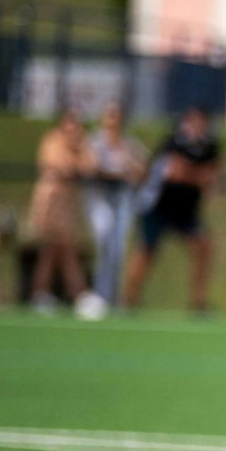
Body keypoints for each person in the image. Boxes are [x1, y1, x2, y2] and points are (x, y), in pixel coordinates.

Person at [122, 107, 220, 315]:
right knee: (147, 251)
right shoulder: (174, 142)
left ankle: (198, 302)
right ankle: (128, 299)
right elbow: (175, 173)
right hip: (158, 206)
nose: (198, 125)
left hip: (186, 210)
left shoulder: (211, 146)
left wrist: (193, 174)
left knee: (202, 247)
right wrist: (197, 176)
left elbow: (211, 178)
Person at [27, 109, 103, 320]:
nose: (73, 129)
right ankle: (77, 294)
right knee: (56, 248)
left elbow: (90, 167)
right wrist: (75, 157)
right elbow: (61, 166)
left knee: (59, 249)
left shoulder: (81, 144)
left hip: (69, 202)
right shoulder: (52, 140)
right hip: (50, 200)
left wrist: (78, 153)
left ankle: (45, 294)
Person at [83, 102, 146, 309]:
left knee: (118, 247)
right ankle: (99, 293)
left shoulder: (129, 143)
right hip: (100, 197)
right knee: (104, 237)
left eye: (116, 115)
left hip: (122, 198)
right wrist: (120, 173)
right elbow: (92, 167)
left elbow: (142, 170)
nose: (113, 120)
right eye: (109, 115)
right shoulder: (94, 142)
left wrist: (128, 169)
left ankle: (114, 296)